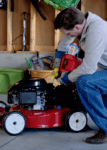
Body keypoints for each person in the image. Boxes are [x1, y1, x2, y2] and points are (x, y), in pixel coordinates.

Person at [54, 7, 107, 144]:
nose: (68, 35)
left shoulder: (96, 31)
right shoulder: (79, 22)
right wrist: (57, 64)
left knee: (85, 82)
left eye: (69, 32)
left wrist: (66, 78)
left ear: (77, 27)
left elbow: (89, 67)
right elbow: (64, 44)